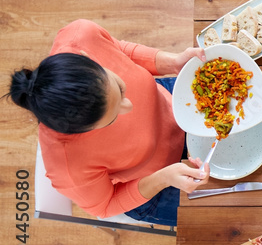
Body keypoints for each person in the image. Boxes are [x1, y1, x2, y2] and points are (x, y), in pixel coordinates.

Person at [5, 19, 209, 226]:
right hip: (154, 185)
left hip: (172, 102)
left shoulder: (81, 37)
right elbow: (106, 205)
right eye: (112, 119)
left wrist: (170, 61)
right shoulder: (68, 167)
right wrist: (163, 179)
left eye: (121, 89)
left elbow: (119, 49)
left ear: (87, 57)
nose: (129, 106)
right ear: (79, 133)